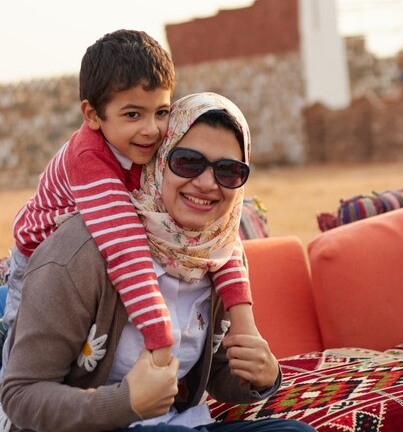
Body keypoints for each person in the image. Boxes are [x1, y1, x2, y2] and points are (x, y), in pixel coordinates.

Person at [0, 92, 322, 432]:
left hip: (170, 426)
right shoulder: (84, 250)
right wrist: (125, 403)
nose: (207, 183)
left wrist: (263, 374)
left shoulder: (216, 252)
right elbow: (21, 396)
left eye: (229, 171)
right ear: (158, 161)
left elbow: (215, 372)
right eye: (187, 162)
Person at [2, 31, 255, 373]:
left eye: (162, 111)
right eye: (133, 114)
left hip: (86, 261)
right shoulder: (90, 161)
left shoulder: (146, 151)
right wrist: (159, 337)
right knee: (22, 350)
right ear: (93, 115)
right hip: (39, 259)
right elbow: (126, 251)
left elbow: (219, 240)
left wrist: (245, 325)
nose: (151, 129)